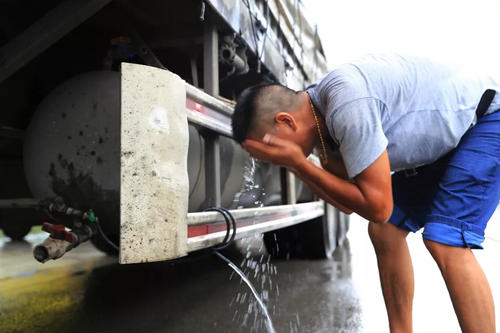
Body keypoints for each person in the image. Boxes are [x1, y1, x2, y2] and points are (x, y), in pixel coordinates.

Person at [231, 54, 500, 333]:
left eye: (272, 150)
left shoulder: (346, 105)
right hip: (451, 139)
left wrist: (298, 163)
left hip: (488, 119)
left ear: (286, 122)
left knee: (446, 240)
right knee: (385, 230)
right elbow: (350, 203)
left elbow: (378, 206)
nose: (273, 160)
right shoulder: (321, 122)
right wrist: (298, 165)